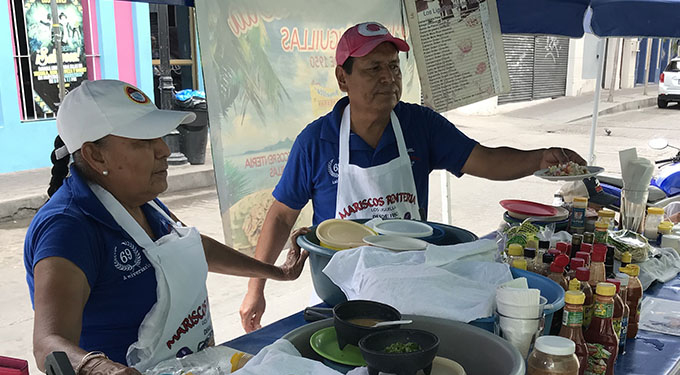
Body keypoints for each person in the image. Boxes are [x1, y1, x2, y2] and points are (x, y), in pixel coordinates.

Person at [239, 21, 586, 332]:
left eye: (393, 67)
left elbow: (485, 160)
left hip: (410, 280)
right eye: (373, 68)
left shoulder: (420, 125)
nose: (388, 78)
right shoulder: (316, 141)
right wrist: (256, 289)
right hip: (343, 290)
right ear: (342, 78)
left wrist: (541, 158)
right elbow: (282, 216)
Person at [24, 80, 309, 375]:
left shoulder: (141, 200)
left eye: (159, 138)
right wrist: (102, 370)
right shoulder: (68, 226)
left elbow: (189, 248)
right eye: (143, 142)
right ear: (94, 154)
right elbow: (47, 343)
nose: (163, 149)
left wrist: (277, 272)